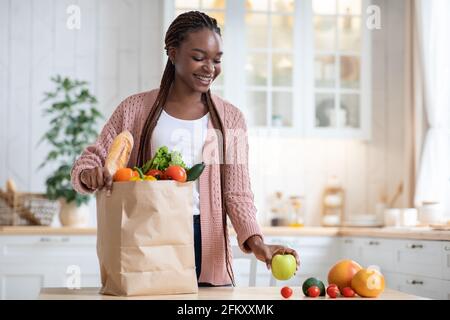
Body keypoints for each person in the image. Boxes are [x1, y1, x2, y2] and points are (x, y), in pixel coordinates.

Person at [71, 11, 299, 287]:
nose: (209, 68)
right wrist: (88, 174)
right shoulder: (134, 109)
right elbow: (94, 157)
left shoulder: (231, 119)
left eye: (216, 60)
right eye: (199, 57)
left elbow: (238, 194)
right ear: (173, 53)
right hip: (148, 234)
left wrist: (257, 243)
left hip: (207, 241)